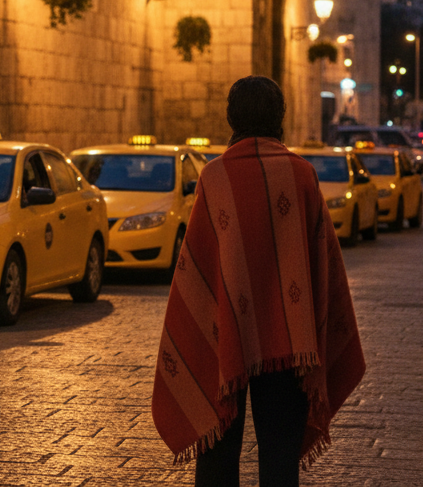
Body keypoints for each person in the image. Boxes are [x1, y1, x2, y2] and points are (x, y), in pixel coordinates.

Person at [152, 75, 366, 486]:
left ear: (232, 118)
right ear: (279, 118)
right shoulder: (301, 175)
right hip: (291, 341)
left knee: (216, 454)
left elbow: (195, 267)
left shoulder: (215, 178)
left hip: (223, 336)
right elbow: (322, 263)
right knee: (280, 455)